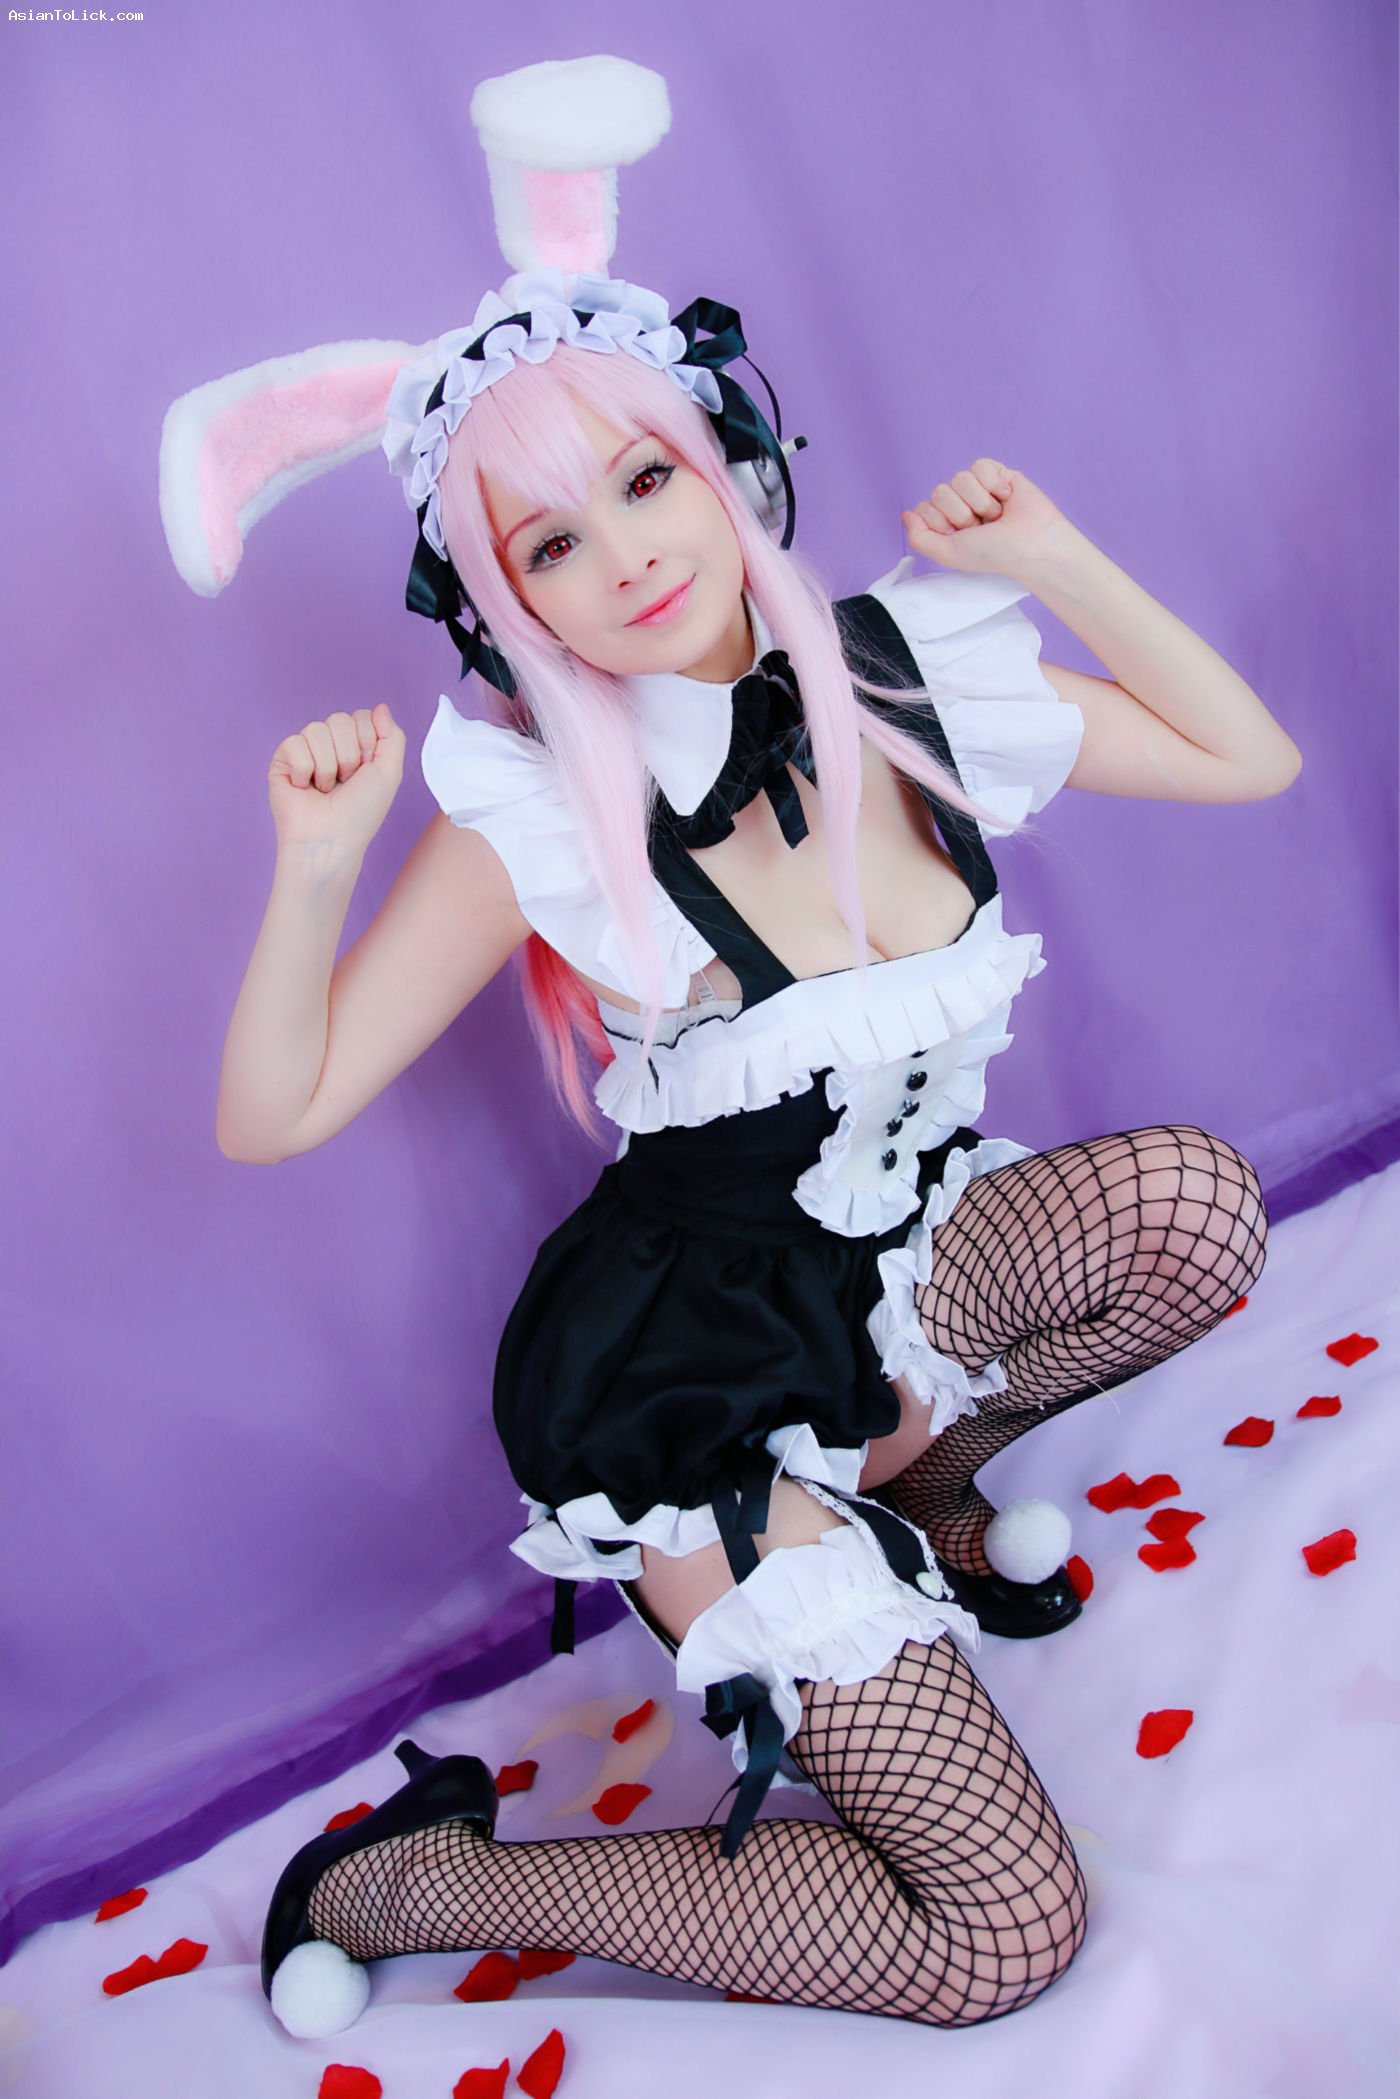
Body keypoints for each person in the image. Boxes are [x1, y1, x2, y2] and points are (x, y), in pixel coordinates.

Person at [182, 51, 1297, 2043]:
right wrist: (312, 869)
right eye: (547, 544)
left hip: (886, 1268)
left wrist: (1056, 561)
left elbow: (1246, 758)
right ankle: (413, 1874)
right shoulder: (535, 806)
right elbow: (275, 1113)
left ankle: (920, 1495)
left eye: (642, 479)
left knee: (1195, 1212)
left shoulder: (904, 676)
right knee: (993, 1936)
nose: (626, 556)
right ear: (504, 604)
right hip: (687, 1371)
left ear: (723, 457)